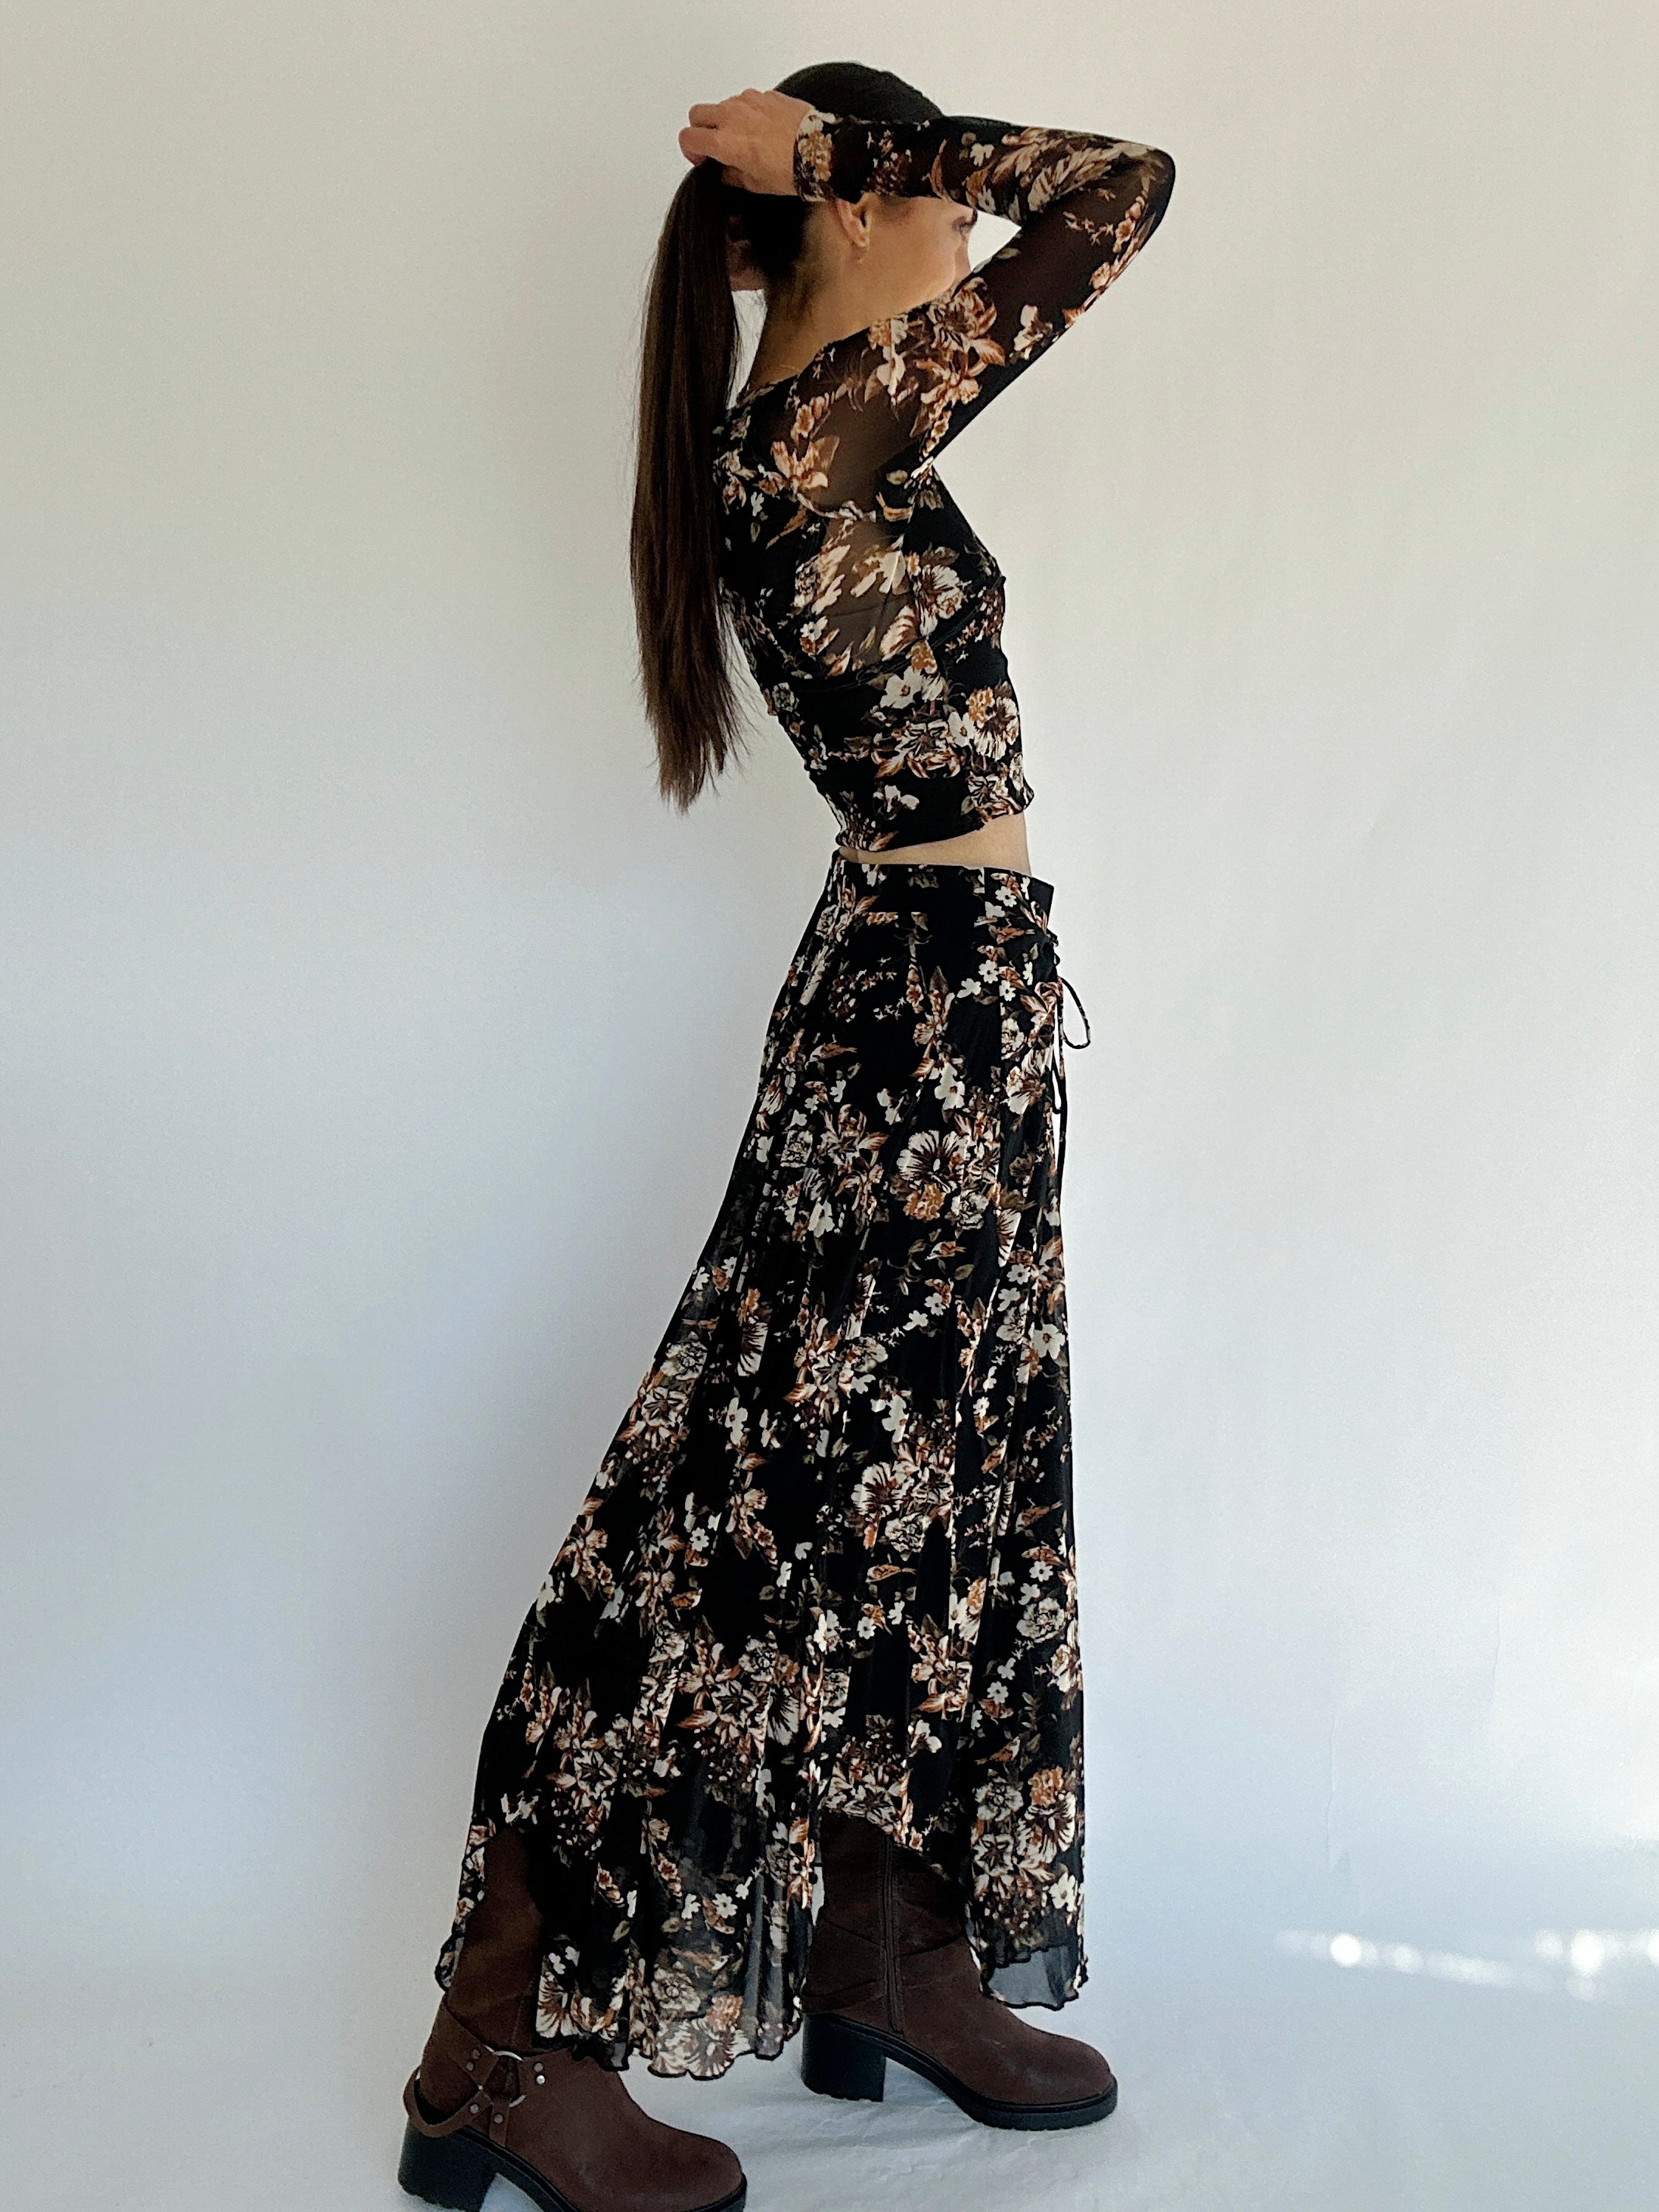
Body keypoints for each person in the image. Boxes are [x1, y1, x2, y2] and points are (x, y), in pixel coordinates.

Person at [396, 59, 1175, 2212]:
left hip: (948, 1005)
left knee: (936, 1496)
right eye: (914, 188)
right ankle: (494, 2044)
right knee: (737, 1517)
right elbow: (1122, 195)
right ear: (840, 213)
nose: (947, 218)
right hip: (911, 1023)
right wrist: (862, 148)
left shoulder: (844, 423)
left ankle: (888, 1957)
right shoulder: (817, 430)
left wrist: (864, 161)